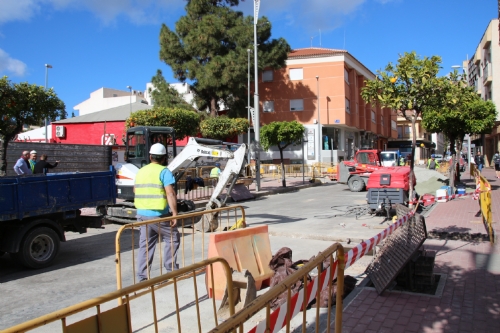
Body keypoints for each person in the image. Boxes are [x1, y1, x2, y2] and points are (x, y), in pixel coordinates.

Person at [135, 143, 179, 282]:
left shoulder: (141, 171)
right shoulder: (164, 171)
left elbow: (135, 190)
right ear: (164, 158)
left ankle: (142, 277)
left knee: (145, 246)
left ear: (150, 156)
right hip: (159, 215)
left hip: (142, 214)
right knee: (173, 238)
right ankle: (171, 270)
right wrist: (174, 213)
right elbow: (170, 193)